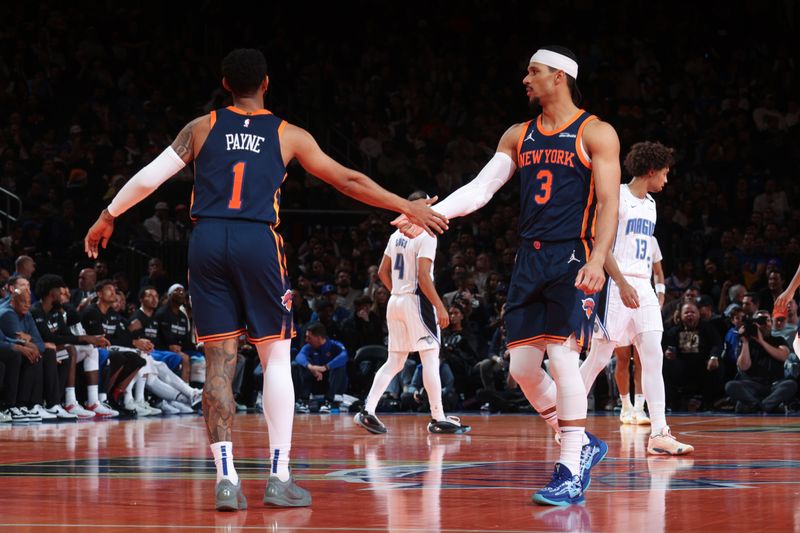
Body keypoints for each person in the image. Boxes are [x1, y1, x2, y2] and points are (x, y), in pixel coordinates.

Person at [84, 48, 447, 512]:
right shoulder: (288, 134)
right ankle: (279, 476)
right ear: (267, 84)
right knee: (275, 355)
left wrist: (108, 213)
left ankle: (226, 480)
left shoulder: (202, 127)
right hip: (257, 240)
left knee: (219, 361)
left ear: (224, 83)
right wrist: (406, 205)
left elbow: (150, 178)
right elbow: (349, 180)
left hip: (208, 240)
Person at [394, 45, 618, 505]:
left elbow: (610, 203)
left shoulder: (596, 132)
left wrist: (598, 260)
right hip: (528, 260)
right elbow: (481, 188)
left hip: (571, 257)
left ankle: (569, 468)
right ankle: (584, 445)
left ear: (559, 76)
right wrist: (429, 213)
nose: (525, 79)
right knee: (522, 370)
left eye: (533, 72)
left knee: (561, 356)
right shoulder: (519, 135)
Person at [579, 142, 691, 454]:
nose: (666, 181)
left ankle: (659, 433)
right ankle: (566, 418)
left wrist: (645, 287)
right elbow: (600, 245)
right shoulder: (617, 195)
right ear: (651, 170)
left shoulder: (651, 204)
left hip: (643, 287)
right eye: (665, 174)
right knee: (600, 357)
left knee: (652, 355)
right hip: (616, 285)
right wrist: (621, 281)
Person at [355, 191, 469, 435]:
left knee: (394, 361)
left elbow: (382, 272)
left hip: (395, 300)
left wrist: (398, 292)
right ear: (422, 206)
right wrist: (439, 305)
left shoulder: (396, 234)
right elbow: (423, 276)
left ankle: (368, 409)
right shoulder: (426, 234)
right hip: (416, 301)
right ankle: (438, 417)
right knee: (430, 358)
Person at [725, 309, 796, 413]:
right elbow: (744, 366)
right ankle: (766, 405)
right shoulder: (747, 342)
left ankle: (755, 405)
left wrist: (761, 342)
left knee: (791, 384)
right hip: (752, 385)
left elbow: (783, 356)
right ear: (755, 324)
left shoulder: (779, 340)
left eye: (768, 320)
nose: (765, 324)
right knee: (730, 385)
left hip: (774, 385)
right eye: (761, 321)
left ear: (771, 323)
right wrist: (744, 342)